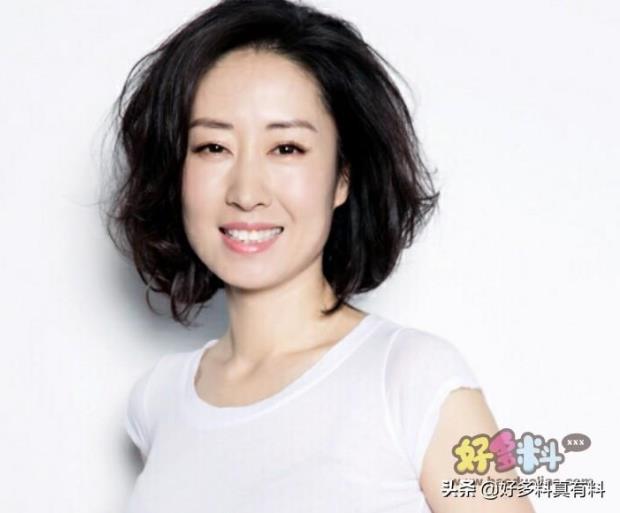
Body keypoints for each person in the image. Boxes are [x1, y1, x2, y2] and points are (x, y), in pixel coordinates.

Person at [103, 1, 536, 512]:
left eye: (286, 148)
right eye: (213, 147)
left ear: (343, 176)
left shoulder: (411, 378)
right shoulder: (158, 400)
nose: (246, 192)